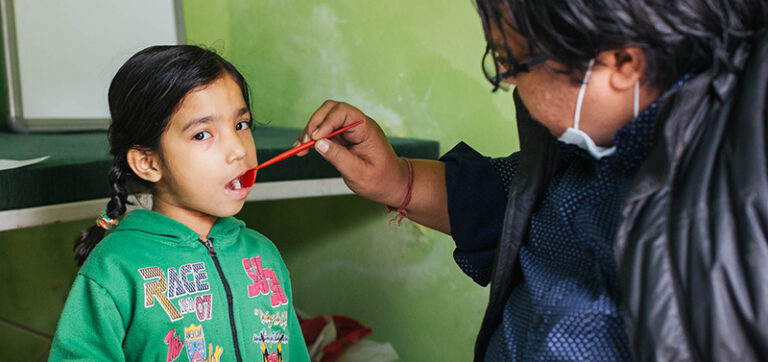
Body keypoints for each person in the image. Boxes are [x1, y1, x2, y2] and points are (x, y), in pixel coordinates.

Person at [295, 0, 768, 361]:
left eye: (513, 64)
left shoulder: (734, 215)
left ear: (622, 65)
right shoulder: (586, 150)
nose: (506, 80)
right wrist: (398, 181)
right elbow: (518, 213)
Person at [49, 45, 310, 362]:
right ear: (148, 162)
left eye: (241, 125)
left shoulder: (263, 255)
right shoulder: (115, 268)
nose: (238, 151)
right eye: (202, 134)